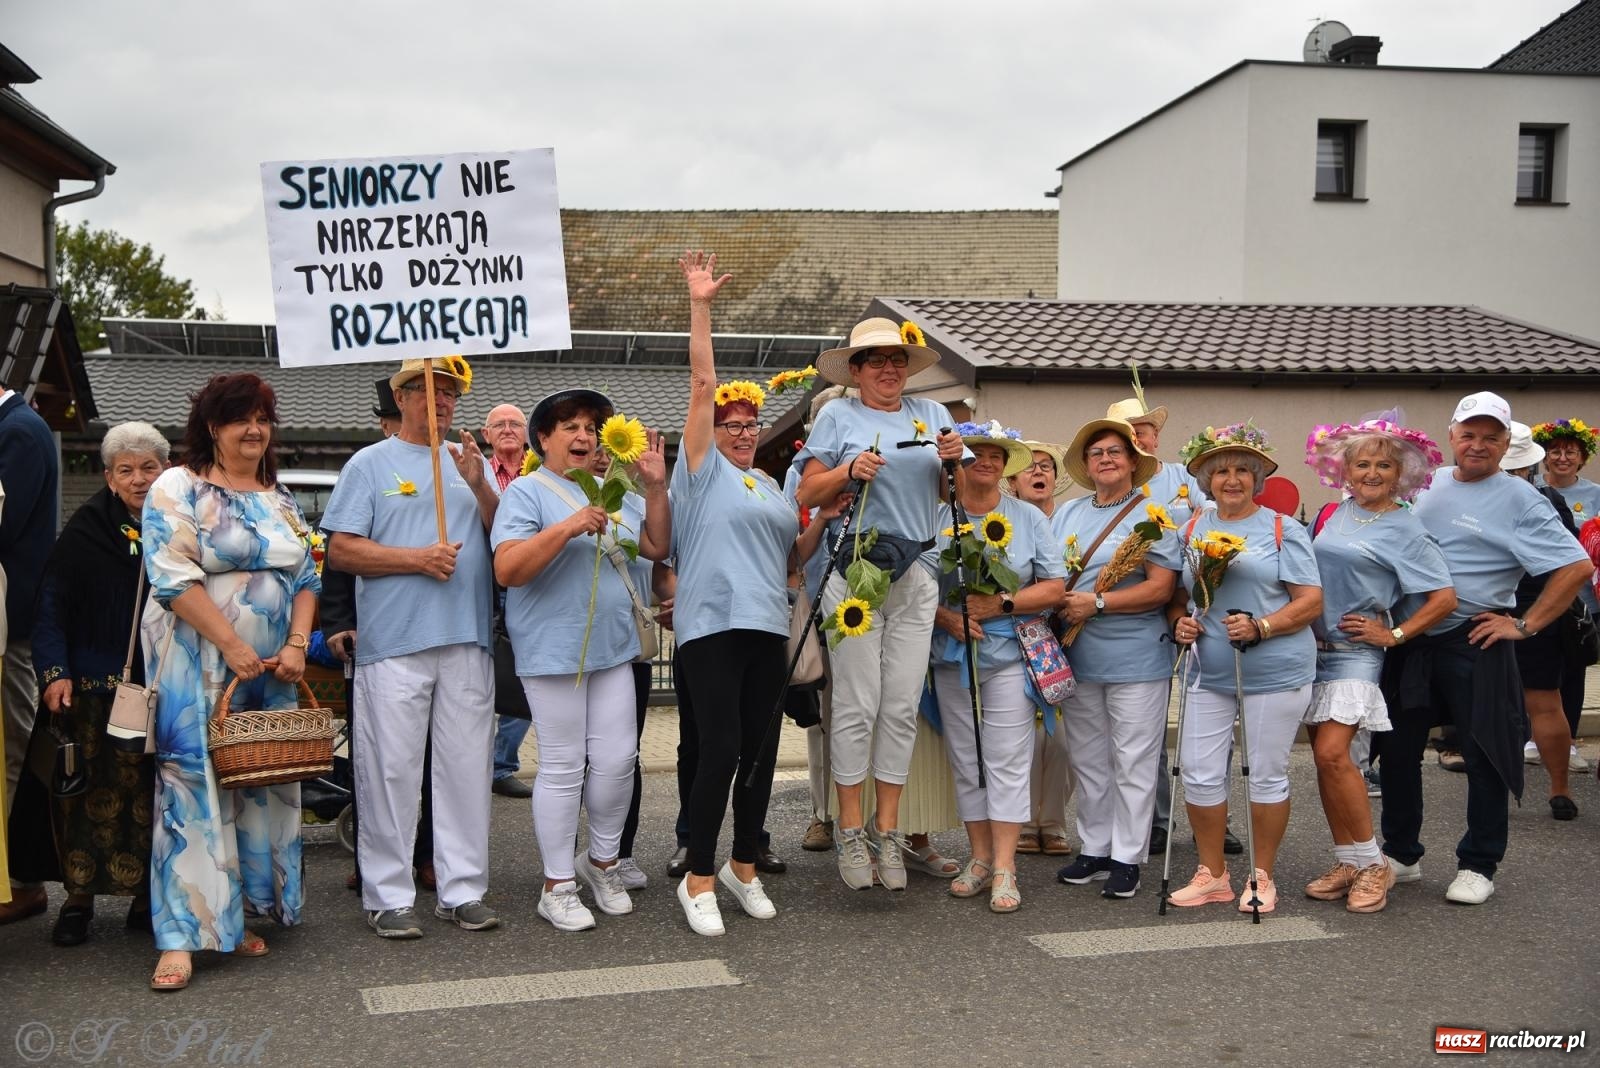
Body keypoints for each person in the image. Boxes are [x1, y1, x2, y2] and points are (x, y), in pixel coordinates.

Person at [140, 374, 321, 990]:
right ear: (212, 426)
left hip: (270, 673)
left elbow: (307, 579)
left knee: (255, 786)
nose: (254, 430)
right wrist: (234, 643)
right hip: (200, 658)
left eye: (263, 418)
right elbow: (171, 578)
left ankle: (234, 914)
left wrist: (296, 645)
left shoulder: (280, 496)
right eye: (240, 418)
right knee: (191, 791)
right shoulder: (177, 486)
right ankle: (181, 938)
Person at [1378, 392, 1591, 906]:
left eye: (1491, 437)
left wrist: (1526, 624)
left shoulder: (1521, 499)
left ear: (1506, 444)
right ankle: (1402, 854)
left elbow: (1577, 566)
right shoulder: (1424, 482)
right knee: (1398, 752)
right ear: (1451, 436)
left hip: (1473, 637)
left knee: (1485, 754)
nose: (1478, 445)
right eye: (1469, 434)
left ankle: (1479, 862)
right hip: (1408, 637)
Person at [323, 356, 501, 940]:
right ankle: (388, 895)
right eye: (429, 391)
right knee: (390, 771)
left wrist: (479, 484)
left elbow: (505, 540)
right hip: (395, 644)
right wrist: (415, 560)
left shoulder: (468, 463)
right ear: (401, 399)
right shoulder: (368, 464)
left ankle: (462, 889)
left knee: (466, 772)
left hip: (467, 640)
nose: (443, 402)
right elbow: (342, 550)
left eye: (450, 393)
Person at [670, 252, 816, 935]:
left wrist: (835, 520)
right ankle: (698, 876)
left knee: (757, 750)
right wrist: (701, 306)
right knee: (720, 748)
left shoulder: (770, 484)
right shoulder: (699, 472)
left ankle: (743, 867)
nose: (741, 430)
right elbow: (703, 385)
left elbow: (790, 559)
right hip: (710, 624)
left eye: (749, 424)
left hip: (767, 623)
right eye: (730, 423)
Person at [797, 317, 967, 891]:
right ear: (857, 371)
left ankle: (888, 832)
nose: (889, 369)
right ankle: (850, 829)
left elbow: (954, 496)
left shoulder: (934, 416)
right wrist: (848, 469)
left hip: (916, 569)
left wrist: (954, 460)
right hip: (855, 570)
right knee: (856, 703)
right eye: (876, 361)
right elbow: (808, 491)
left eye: (896, 359)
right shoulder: (837, 416)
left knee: (898, 706)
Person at [491, 387, 669, 932]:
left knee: (617, 761)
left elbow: (656, 547)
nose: (584, 436)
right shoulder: (526, 493)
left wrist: (656, 487)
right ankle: (556, 885)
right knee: (564, 767)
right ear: (542, 439)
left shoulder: (617, 491)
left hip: (614, 649)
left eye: (590, 427)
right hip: (552, 653)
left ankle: (601, 864)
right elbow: (508, 570)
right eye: (568, 426)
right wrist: (568, 526)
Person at [20, 423, 168, 945]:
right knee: (83, 800)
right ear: (108, 477)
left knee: (152, 797)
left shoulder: (177, 525)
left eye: (148, 467)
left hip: (159, 687)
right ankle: (78, 902)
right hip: (89, 692)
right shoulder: (84, 532)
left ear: (165, 470)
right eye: (126, 470)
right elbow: (51, 605)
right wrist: (54, 674)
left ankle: (147, 898)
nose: (138, 479)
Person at [1301, 418, 1455, 913]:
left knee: (1332, 754)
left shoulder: (1406, 525)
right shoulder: (1332, 513)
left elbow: (1444, 597)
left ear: (1400, 473)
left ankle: (1374, 865)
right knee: (1326, 765)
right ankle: (1348, 859)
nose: (1371, 473)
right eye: (1362, 463)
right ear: (1344, 470)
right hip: (1309, 651)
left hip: (1355, 653)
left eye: (1382, 465)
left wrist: (1393, 634)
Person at [1168, 424, 1322, 913]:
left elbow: (1310, 600)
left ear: (1257, 480)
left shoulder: (1281, 528)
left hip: (1274, 671)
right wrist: (1180, 623)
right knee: (1198, 774)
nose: (1231, 479)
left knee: (1267, 774)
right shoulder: (1191, 527)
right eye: (1221, 472)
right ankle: (1213, 874)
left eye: (1242, 471)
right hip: (1207, 672)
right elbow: (1178, 597)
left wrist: (1263, 626)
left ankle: (1262, 874)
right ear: (1207, 480)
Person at [929, 422, 1065, 912]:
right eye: (972, 455)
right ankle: (980, 858)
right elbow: (915, 583)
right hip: (951, 654)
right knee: (968, 758)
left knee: (1007, 759)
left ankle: (1006, 865)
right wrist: (947, 616)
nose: (983, 462)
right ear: (956, 463)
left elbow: (1054, 588)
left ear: (1006, 465)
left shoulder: (1028, 518)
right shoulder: (937, 512)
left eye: (993, 455)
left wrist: (1000, 604)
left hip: (1009, 655)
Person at [1050, 417, 1176, 900]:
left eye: (1115, 451)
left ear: (1132, 461)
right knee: (1088, 758)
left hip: (1136, 655)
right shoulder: (1067, 514)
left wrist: (1098, 603)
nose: (1105, 458)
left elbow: (1160, 587)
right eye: (1097, 452)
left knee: (1133, 759)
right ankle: (1095, 847)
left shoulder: (1153, 515)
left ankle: (1127, 855)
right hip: (1077, 654)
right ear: (1086, 464)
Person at [323, 380, 435, 895]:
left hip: (437, 636)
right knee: (381, 758)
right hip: (376, 636)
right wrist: (339, 620)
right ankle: (377, 859)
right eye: (391, 419)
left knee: (436, 761)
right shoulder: (369, 467)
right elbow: (339, 561)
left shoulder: (445, 465)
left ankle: (429, 855)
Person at [1105, 394, 1213, 855]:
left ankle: (1211, 819)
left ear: (1156, 435)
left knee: (1199, 721)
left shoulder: (1182, 479)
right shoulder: (1111, 484)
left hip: (1190, 606)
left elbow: (1212, 522)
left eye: (1144, 427)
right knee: (1144, 736)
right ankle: (1155, 821)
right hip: (1139, 618)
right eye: (1128, 429)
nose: (1139, 434)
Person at [1500, 423, 1582, 819]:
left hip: (1494, 610)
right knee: (1546, 704)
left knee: (1496, 704)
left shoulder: (1487, 500)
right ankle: (1559, 789)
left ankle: (1497, 787)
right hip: (1544, 611)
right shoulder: (1550, 501)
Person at [0, 384, 58, 924]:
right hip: (9, 621)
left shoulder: (17, 431)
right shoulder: (18, 425)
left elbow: (4, 525)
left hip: (12, 625)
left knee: (14, 748)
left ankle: (20, 880)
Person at [1008, 441, 1077, 858]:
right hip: (1019, 636)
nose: (1040, 472)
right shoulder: (1007, 521)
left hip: (1068, 639)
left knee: (1063, 739)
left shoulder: (1072, 520)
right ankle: (1024, 823)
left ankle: (1053, 821)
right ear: (1013, 481)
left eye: (1047, 467)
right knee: (1027, 736)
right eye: (1030, 467)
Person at [1530, 417, 1599, 772]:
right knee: (1536, 671)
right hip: (1537, 594)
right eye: (1555, 451)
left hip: (1582, 600)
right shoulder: (1531, 487)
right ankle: (1532, 737)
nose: (1562, 458)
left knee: (1572, 672)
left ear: (1582, 458)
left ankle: (1567, 742)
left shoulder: (1595, 495)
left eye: (1570, 452)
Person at [484, 402, 535, 800]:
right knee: (481, 672)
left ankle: (502, 764)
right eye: (498, 424)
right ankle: (477, 762)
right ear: (486, 435)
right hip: (483, 583)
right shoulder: (474, 472)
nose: (507, 430)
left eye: (514, 424)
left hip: (530, 581)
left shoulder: (542, 471)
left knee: (524, 672)